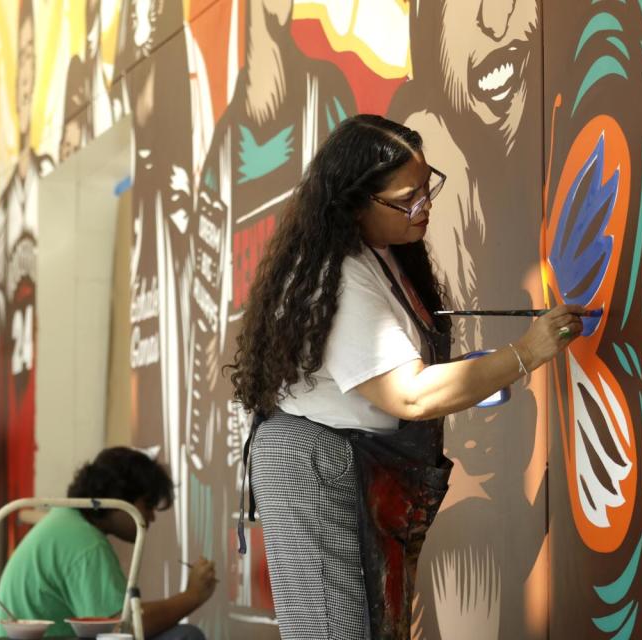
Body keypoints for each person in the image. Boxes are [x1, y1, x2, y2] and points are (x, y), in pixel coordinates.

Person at [228, 114, 585, 639]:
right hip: (318, 464)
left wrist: (482, 372)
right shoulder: (343, 276)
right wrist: (527, 352)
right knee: (340, 630)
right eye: (405, 198)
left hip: (345, 458)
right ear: (354, 201)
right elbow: (410, 395)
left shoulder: (379, 252)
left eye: (426, 187)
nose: (425, 206)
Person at [0, 448, 215, 639]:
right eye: (147, 505)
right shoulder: (85, 543)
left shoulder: (66, 523)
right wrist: (192, 596)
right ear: (118, 497)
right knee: (186, 636)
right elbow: (125, 626)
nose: (151, 517)